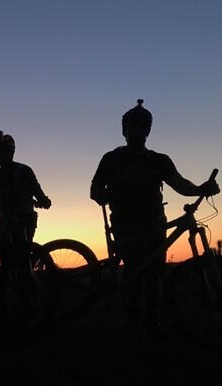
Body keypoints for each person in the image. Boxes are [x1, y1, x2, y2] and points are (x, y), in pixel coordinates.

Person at [90, 99, 220, 336]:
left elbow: (180, 184)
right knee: (134, 272)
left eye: (141, 127)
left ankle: (152, 321)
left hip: (154, 224)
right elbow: (95, 190)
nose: (135, 131)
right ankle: (133, 320)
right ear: (124, 130)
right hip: (125, 225)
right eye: (130, 127)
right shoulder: (111, 159)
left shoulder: (159, 160)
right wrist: (104, 195)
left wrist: (202, 188)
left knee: (154, 273)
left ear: (147, 131)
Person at [0, 130, 52, 321]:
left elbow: (37, 190)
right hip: (6, 223)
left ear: (11, 152)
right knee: (3, 261)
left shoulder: (24, 171)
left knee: (22, 261)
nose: (0, 156)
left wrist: (43, 200)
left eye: (3, 152)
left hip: (24, 220)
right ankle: (5, 303)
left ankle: (27, 304)